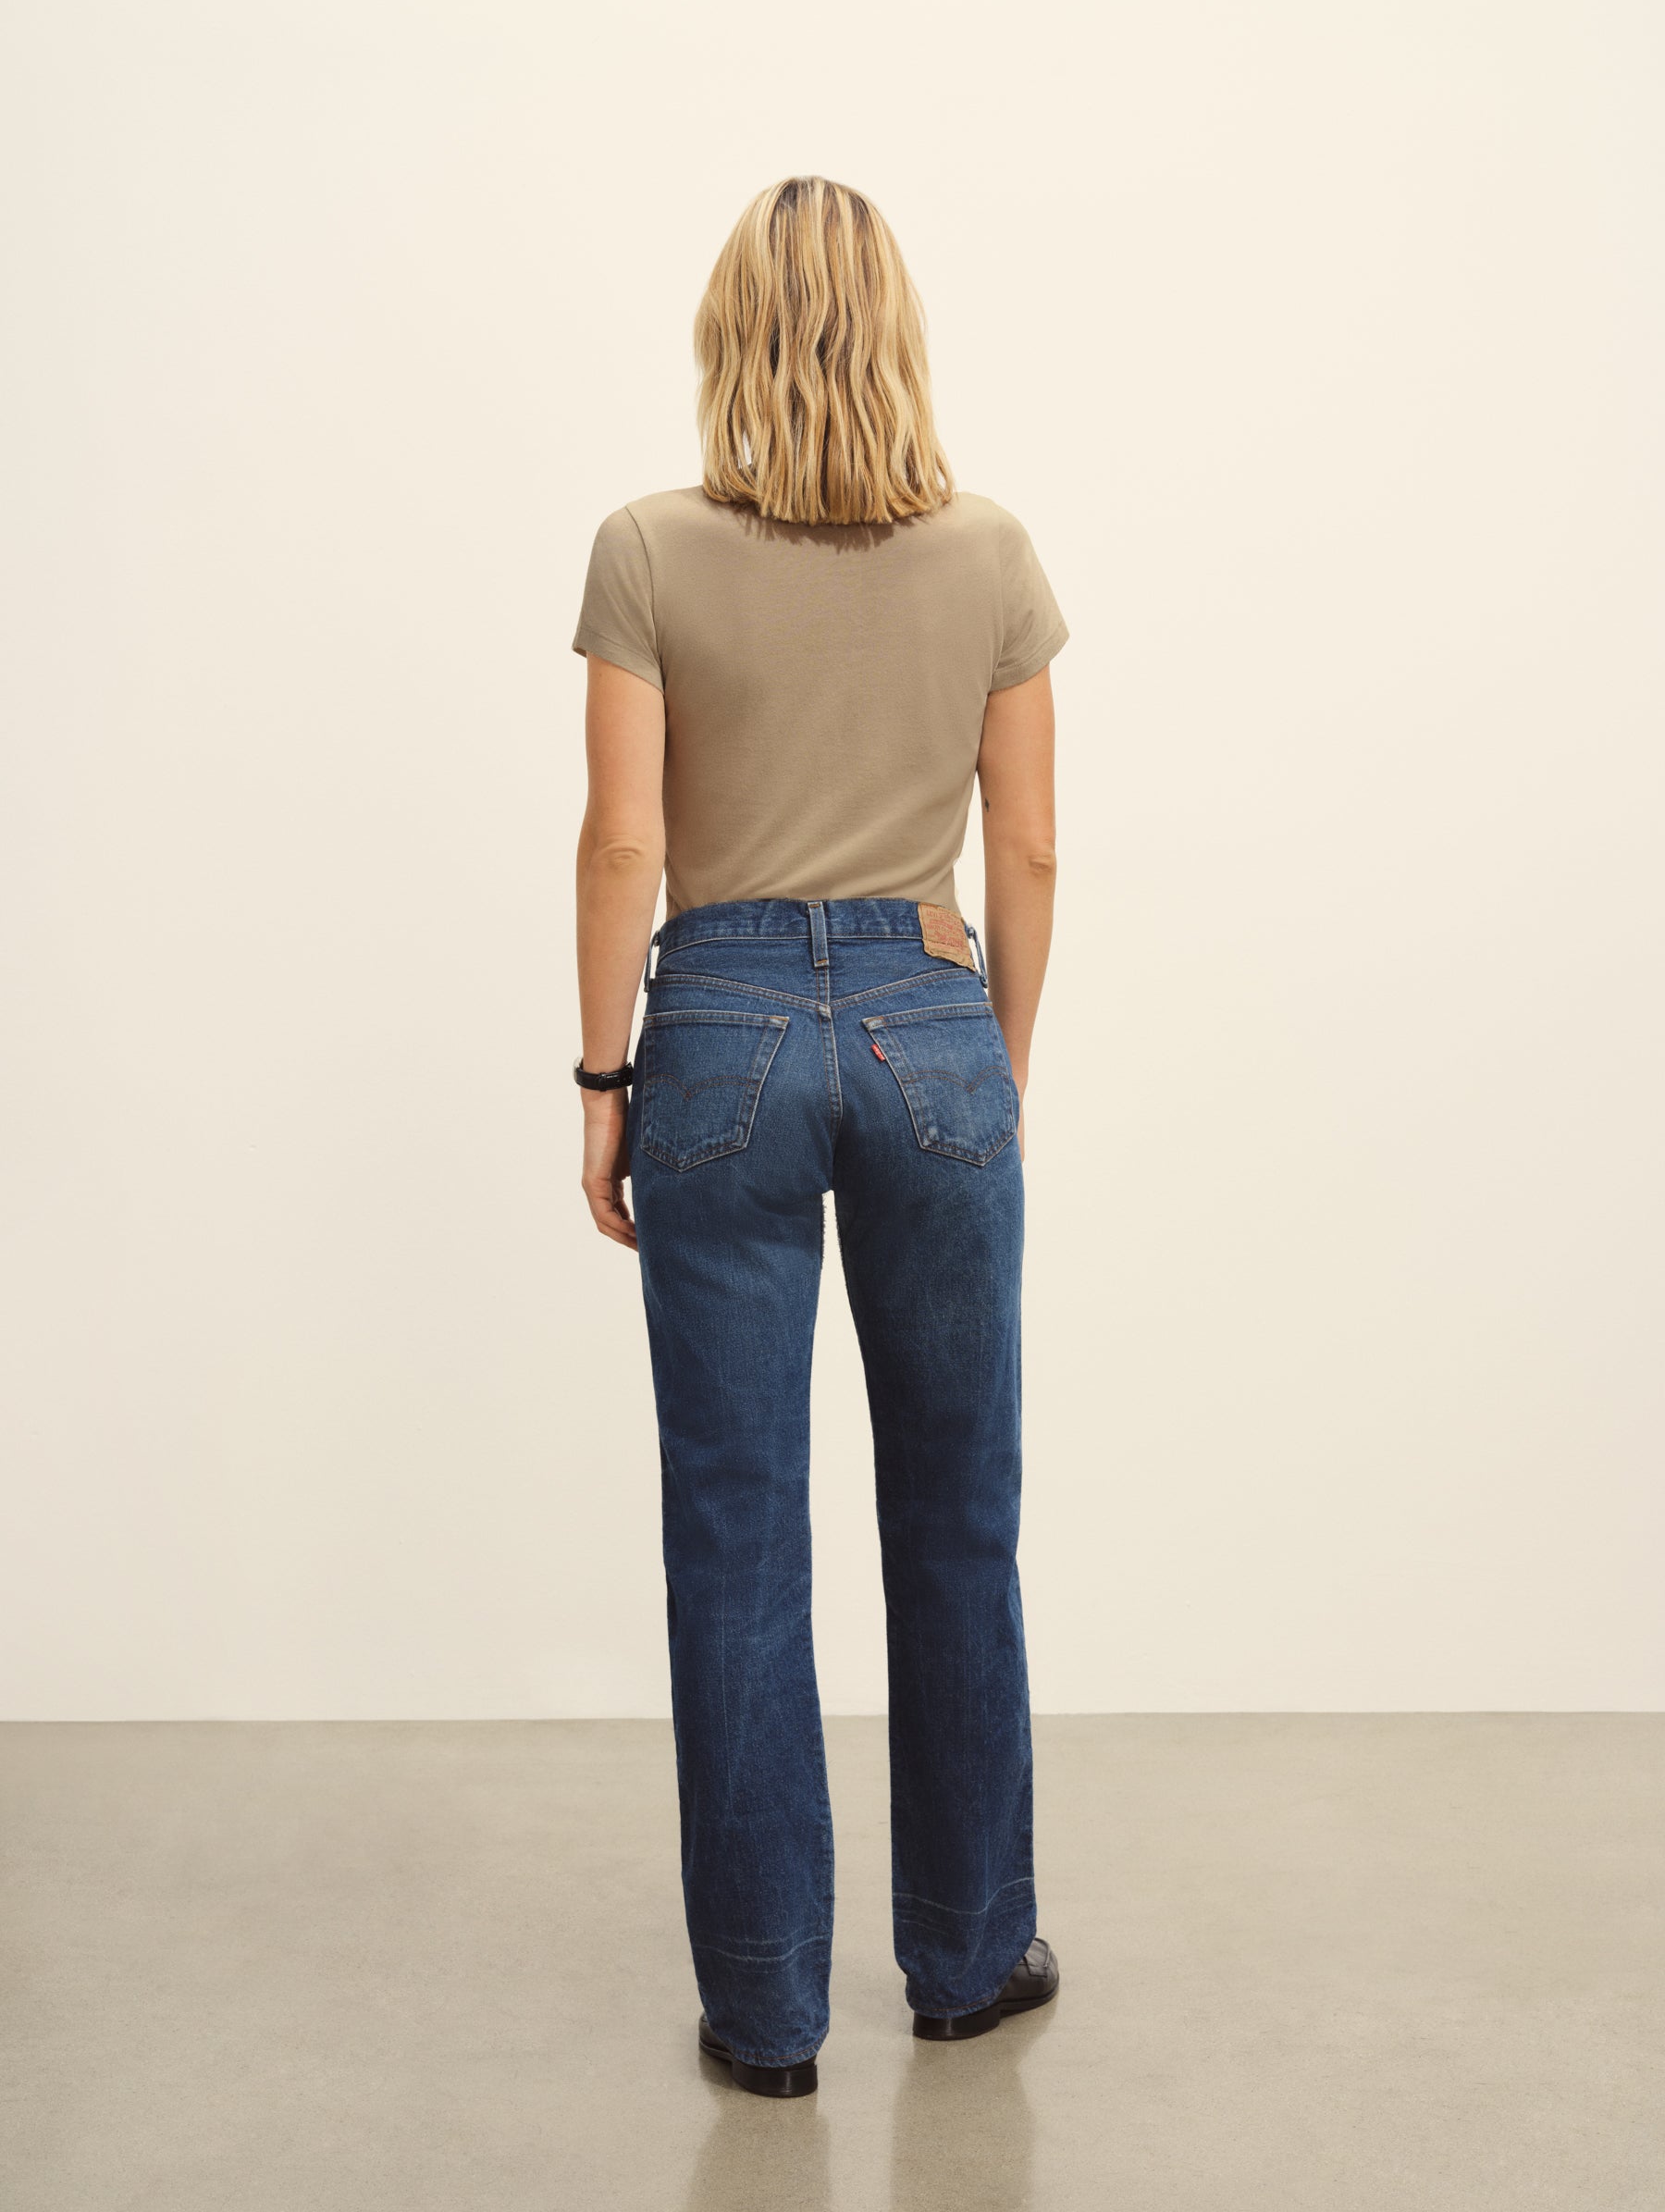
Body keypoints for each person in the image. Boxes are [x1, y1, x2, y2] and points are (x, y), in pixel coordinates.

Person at [570, 174, 1066, 2098]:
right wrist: (988, 1066)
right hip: (933, 1015)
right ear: (899, 337)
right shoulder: (993, 554)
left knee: (733, 1528)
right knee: (958, 1511)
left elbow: (625, 839)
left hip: (717, 1027)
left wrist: (604, 1082)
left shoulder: (646, 550)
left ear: (731, 336)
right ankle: (967, 1955)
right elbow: (1027, 846)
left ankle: (770, 2014)